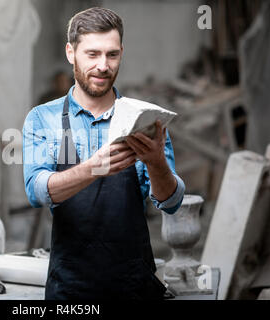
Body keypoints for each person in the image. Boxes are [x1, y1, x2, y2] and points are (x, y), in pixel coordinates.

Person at [22, 7, 185, 300]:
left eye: (112, 55)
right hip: (69, 287)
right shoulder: (42, 118)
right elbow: (37, 192)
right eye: (92, 54)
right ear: (71, 53)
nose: (103, 66)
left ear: (121, 52)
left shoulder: (144, 119)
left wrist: (157, 163)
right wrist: (92, 168)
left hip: (134, 285)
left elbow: (171, 203)